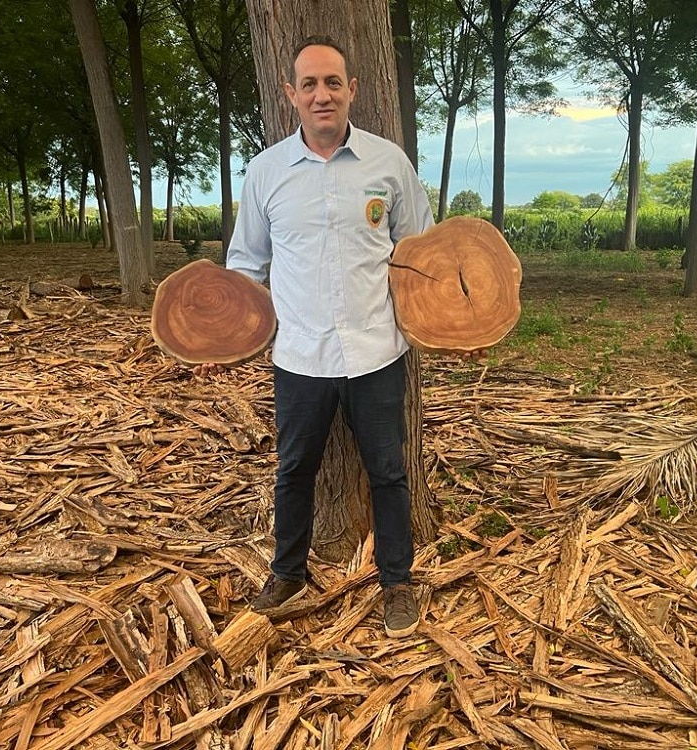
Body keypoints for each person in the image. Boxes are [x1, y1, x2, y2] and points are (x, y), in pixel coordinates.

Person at [195, 36, 480, 638]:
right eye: (309, 85)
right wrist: (220, 338)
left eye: (332, 82)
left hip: (377, 348)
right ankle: (289, 571)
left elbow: (421, 256)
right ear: (290, 95)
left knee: (389, 471)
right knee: (295, 467)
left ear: (352, 89)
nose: (321, 95)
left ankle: (397, 583)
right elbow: (247, 263)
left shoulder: (388, 164)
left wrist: (456, 323)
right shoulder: (266, 171)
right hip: (300, 353)